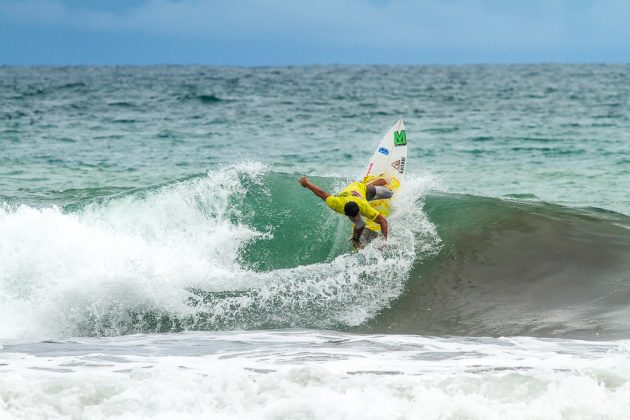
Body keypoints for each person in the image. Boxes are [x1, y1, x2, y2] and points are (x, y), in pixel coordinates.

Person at [298, 176, 393, 249]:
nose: (355, 218)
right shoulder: (336, 204)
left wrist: (384, 241)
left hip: (359, 187)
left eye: (356, 215)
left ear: (359, 211)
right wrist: (307, 184)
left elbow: (383, 221)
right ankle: (355, 240)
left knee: (389, 193)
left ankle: (370, 184)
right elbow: (321, 193)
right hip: (352, 191)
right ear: (346, 214)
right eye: (353, 217)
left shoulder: (363, 206)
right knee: (360, 224)